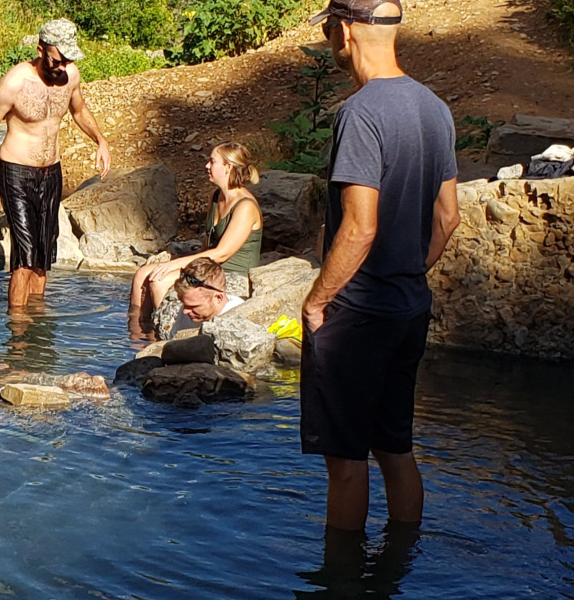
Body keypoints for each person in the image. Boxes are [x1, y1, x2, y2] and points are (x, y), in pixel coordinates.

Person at [300, 0, 461, 532]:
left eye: (328, 30)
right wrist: (409, 271)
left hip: (358, 314)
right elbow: (449, 216)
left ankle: (341, 581)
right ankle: (399, 567)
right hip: (409, 308)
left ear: (344, 30)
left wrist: (318, 301)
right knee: (395, 448)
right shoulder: (435, 107)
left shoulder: (361, 112)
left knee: (345, 464)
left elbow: (360, 226)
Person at [0, 18, 111, 308]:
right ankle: (18, 336)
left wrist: (101, 140)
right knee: (24, 257)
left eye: (68, 59)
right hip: (16, 174)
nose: (62, 66)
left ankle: (35, 324)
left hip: (52, 173)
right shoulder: (15, 82)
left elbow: (79, 109)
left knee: (43, 257)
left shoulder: (70, 75)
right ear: (40, 50)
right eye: (57, 60)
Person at [130, 142, 263, 314]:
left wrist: (175, 264)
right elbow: (207, 246)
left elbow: (221, 253)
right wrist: (187, 267)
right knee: (143, 274)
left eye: (212, 161)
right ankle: (136, 332)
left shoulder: (245, 207)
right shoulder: (216, 197)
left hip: (233, 276)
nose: (207, 166)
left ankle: (166, 335)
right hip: (210, 268)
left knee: (160, 281)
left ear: (228, 167)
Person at [165, 257, 246, 337]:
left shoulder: (240, 317)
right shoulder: (189, 310)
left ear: (218, 298)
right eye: (184, 304)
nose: (185, 311)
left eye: (193, 306)